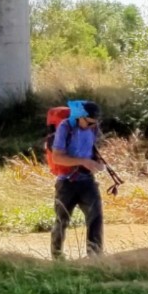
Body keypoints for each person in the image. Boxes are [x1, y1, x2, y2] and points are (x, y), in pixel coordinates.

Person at [47, 99, 106, 259]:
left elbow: (92, 151)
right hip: (67, 181)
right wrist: (83, 161)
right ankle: (57, 257)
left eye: (95, 123)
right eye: (89, 122)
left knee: (96, 217)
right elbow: (58, 157)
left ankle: (95, 257)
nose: (92, 126)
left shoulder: (93, 128)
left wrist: (96, 163)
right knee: (62, 220)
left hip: (87, 179)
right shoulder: (65, 127)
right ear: (80, 116)